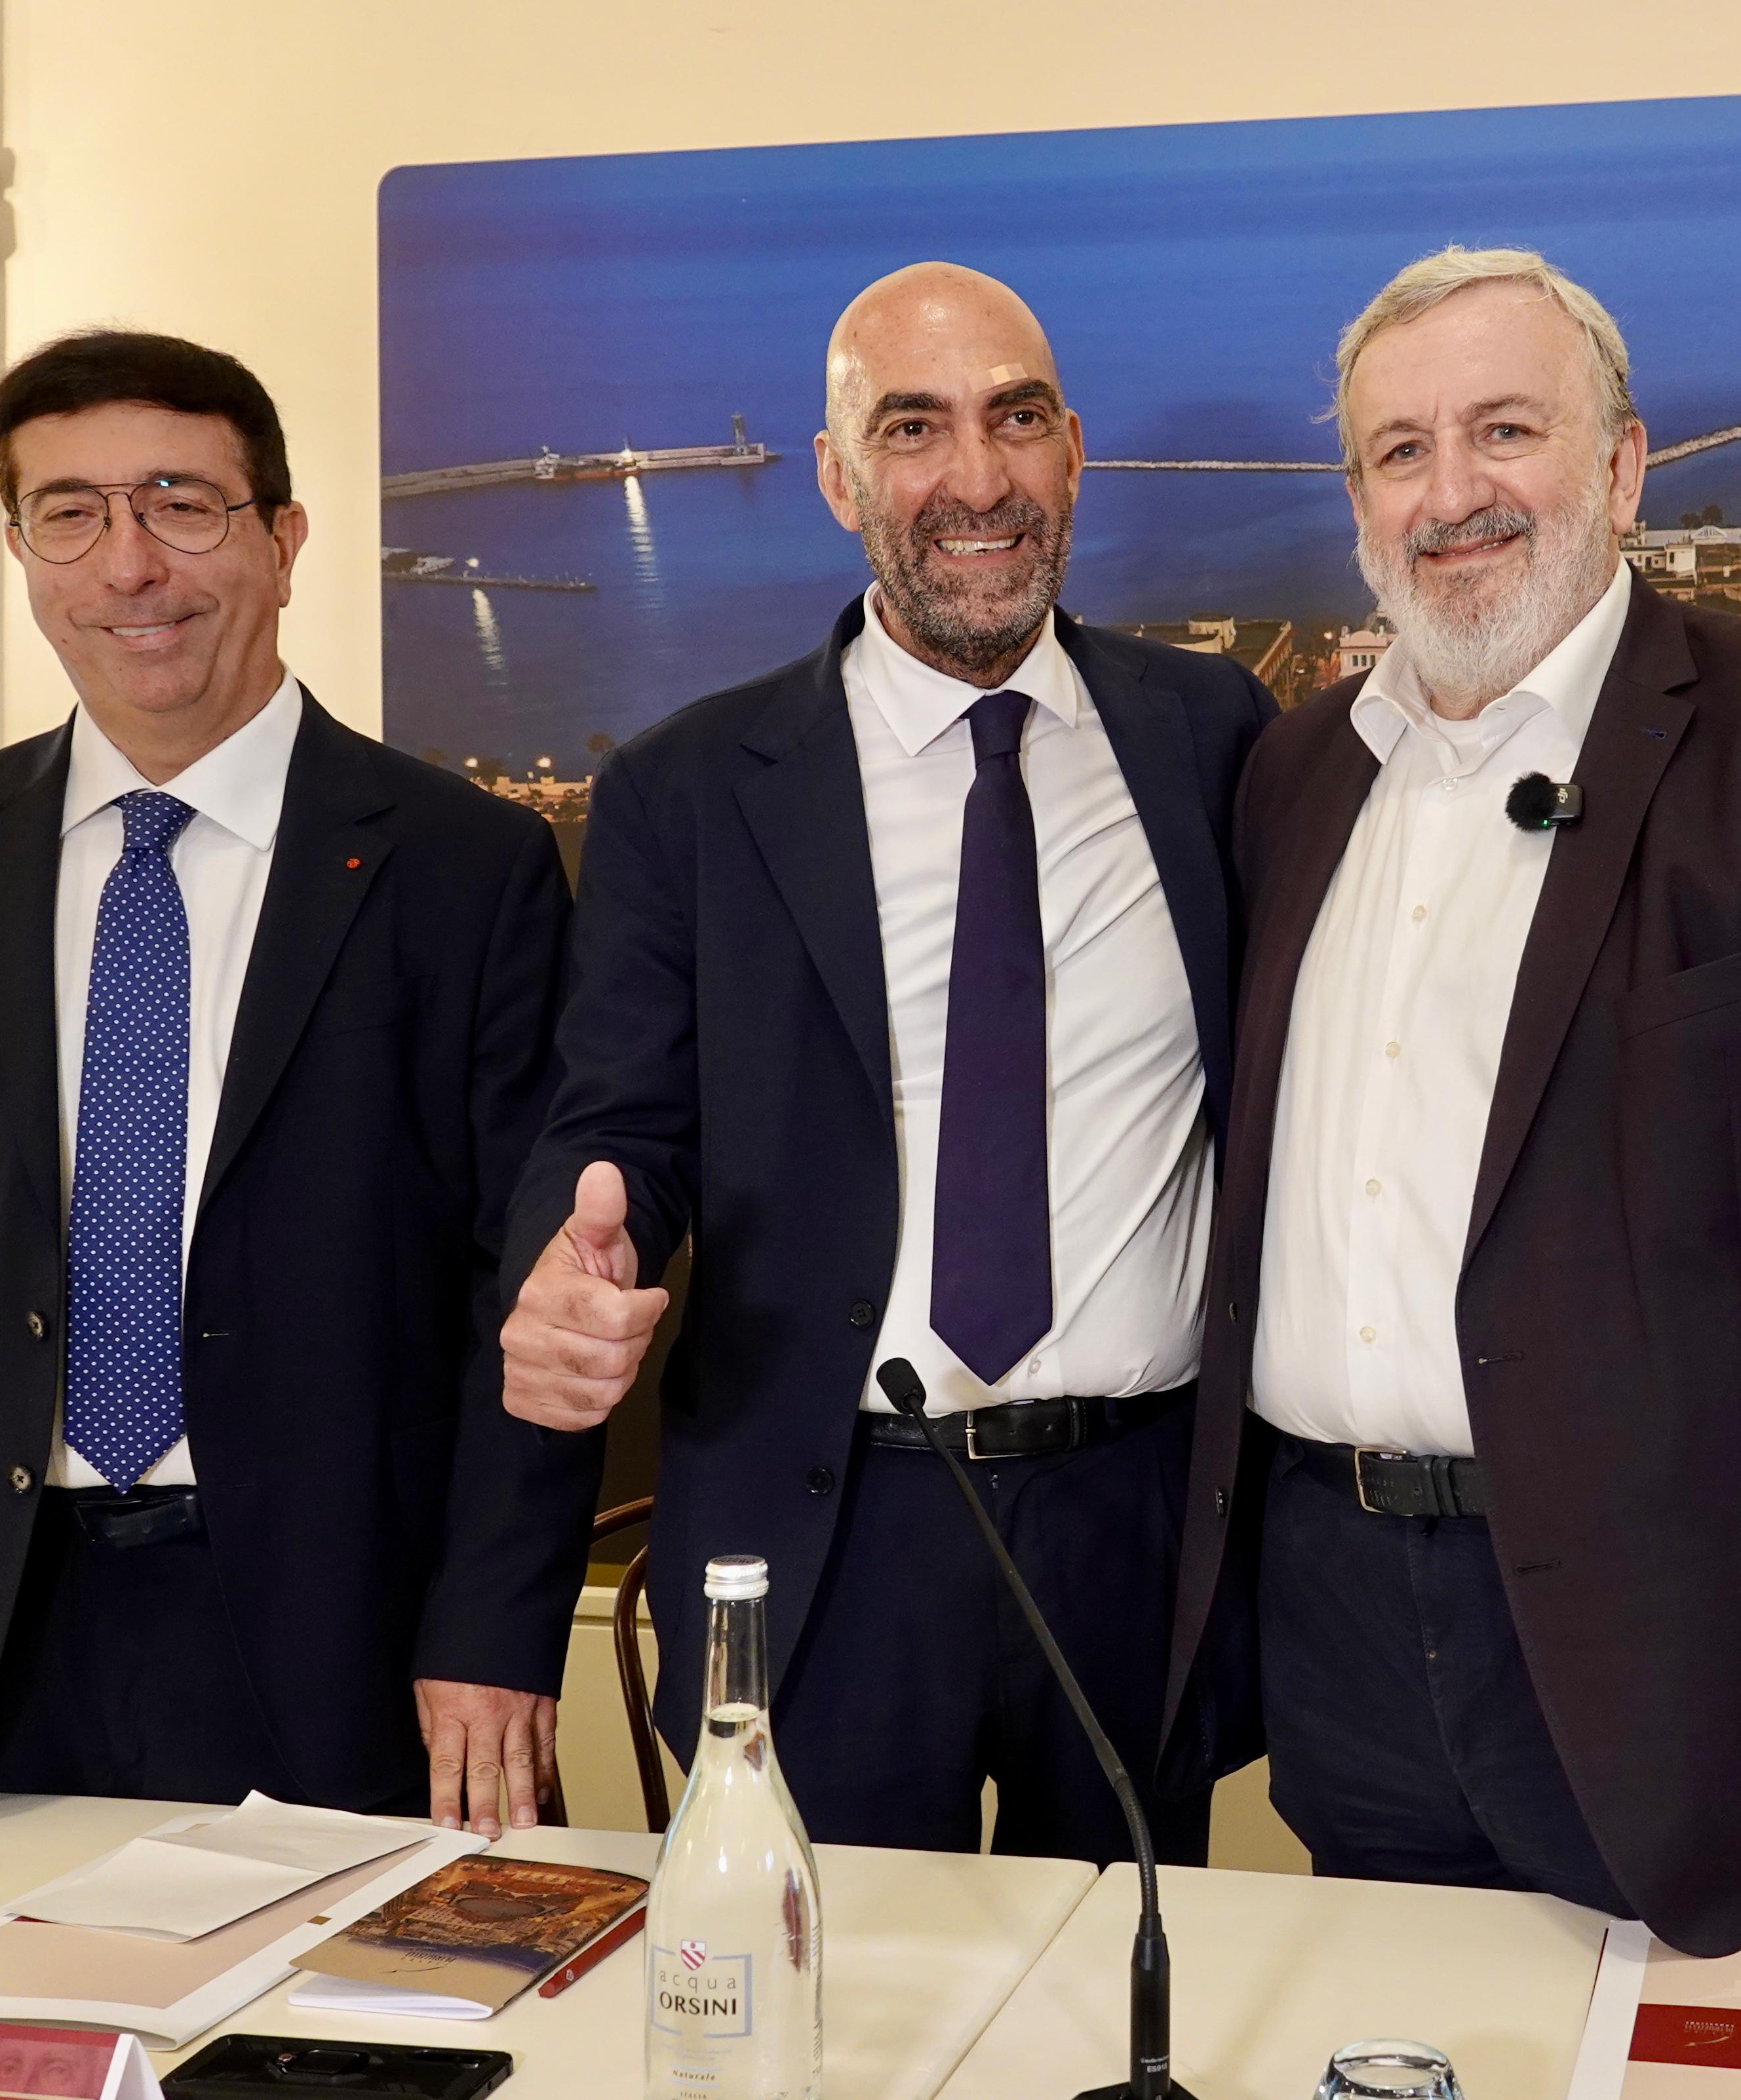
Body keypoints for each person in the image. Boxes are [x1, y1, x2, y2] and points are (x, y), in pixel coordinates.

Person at [1162, 248, 1741, 1956]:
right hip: (1342, 1639)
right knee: (1400, 2049)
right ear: (1358, 501)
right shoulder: (1297, 775)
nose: (1451, 491)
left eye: (1504, 430)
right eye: (1397, 451)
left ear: (1619, 465)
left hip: (1706, 1667)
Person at [0, 331, 595, 1829]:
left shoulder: (467, 864)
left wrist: (493, 1629)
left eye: (181, 504)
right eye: (70, 514)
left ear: (282, 540)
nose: (128, 565)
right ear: (22, 554)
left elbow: (526, 1294)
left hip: (341, 1640)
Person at [498, 263, 1271, 1863]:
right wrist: (573, 1270)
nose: (976, 479)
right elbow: (618, 1127)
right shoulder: (688, 791)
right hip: (828, 1533)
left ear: (1073, 452)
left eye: (1016, 420)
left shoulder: (1215, 736)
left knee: (1118, 1975)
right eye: (913, 430)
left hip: (1133, 1525)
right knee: (829, 1988)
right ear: (838, 477)